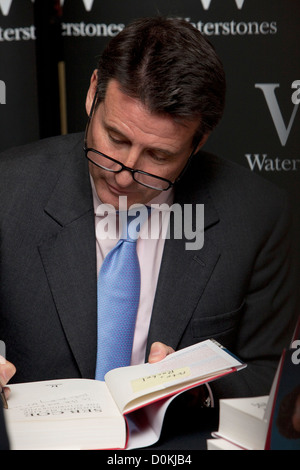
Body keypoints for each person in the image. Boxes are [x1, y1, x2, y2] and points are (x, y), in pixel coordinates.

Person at [0, 17, 297, 416]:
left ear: (198, 141)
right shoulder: (7, 192)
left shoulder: (258, 216)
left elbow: (270, 374)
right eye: (116, 138)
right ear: (92, 94)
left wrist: (196, 390)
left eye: (158, 156)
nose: (123, 172)